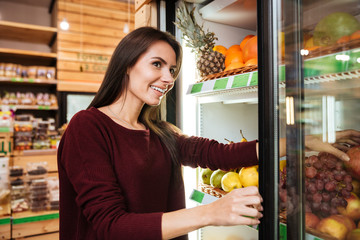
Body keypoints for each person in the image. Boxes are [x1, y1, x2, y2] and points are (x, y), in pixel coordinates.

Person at [57, 27, 360, 240]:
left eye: (172, 69)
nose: (168, 78)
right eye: (157, 64)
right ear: (126, 65)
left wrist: (300, 140)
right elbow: (111, 227)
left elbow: (218, 154)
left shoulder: (159, 131)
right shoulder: (88, 127)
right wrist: (212, 213)